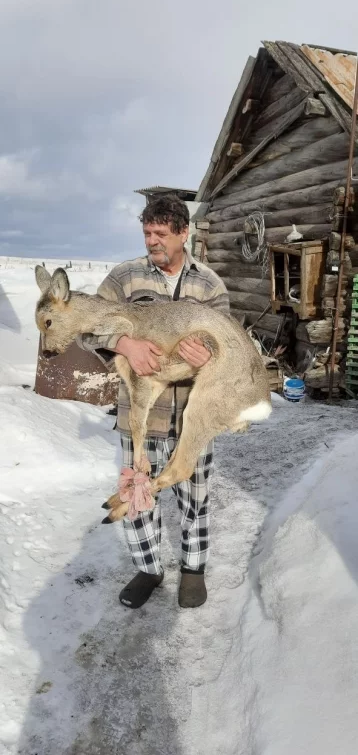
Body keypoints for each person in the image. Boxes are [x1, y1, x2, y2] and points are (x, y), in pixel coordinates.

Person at [78, 194, 230, 609]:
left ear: (184, 233)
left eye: (161, 233)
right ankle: (148, 569)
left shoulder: (209, 285)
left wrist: (209, 358)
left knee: (194, 495)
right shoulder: (123, 280)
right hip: (140, 415)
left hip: (194, 416)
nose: (152, 241)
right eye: (147, 233)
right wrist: (124, 343)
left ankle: (193, 570)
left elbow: (228, 348)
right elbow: (87, 328)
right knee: (139, 491)